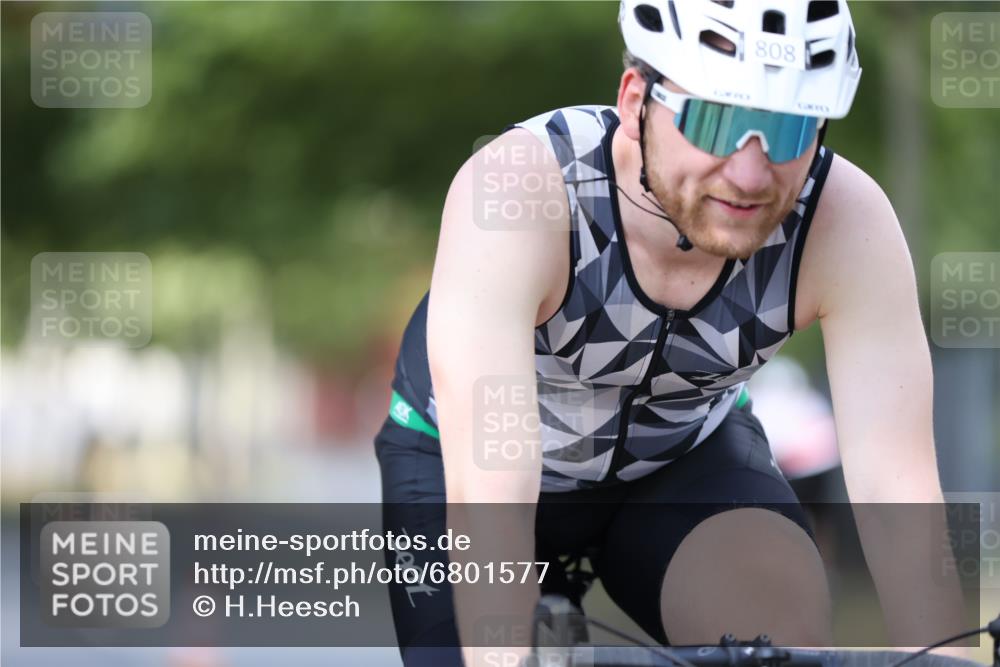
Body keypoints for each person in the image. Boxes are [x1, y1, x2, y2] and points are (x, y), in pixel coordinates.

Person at [374, 2, 968, 665]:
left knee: (778, 636)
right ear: (636, 102)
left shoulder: (844, 222)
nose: (749, 174)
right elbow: (496, 480)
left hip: (682, 460)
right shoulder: (524, 190)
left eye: (791, 128)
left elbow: (897, 489)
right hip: (477, 466)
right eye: (715, 121)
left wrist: (943, 655)